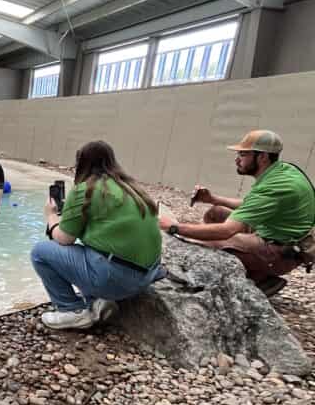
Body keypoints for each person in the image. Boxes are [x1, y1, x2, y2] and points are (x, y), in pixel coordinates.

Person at [159, 130, 315, 298]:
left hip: (281, 253)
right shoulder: (282, 172)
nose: (237, 159)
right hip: (276, 235)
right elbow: (253, 206)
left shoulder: (276, 186)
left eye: (243, 154)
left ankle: (256, 279)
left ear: (262, 157)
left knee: (213, 240)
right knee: (216, 213)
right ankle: (250, 270)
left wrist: (174, 227)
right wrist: (213, 199)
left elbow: (227, 231)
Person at [31, 140, 164, 331]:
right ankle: (98, 302)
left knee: (40, 252)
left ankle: (72, 311)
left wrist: (51, 216)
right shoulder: (133, 188)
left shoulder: (85, 190)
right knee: (94, 248)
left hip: (118, 280)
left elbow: (64, 239)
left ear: (82, 164)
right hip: (147, 275)